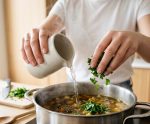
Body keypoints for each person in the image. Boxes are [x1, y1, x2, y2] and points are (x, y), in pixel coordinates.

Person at [21, 0, 150, 91]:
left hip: (120, 88)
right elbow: (48, 27)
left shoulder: (139, 2)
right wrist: (39, 36)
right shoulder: (68, 3)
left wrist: (138, 40)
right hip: (74, 86)